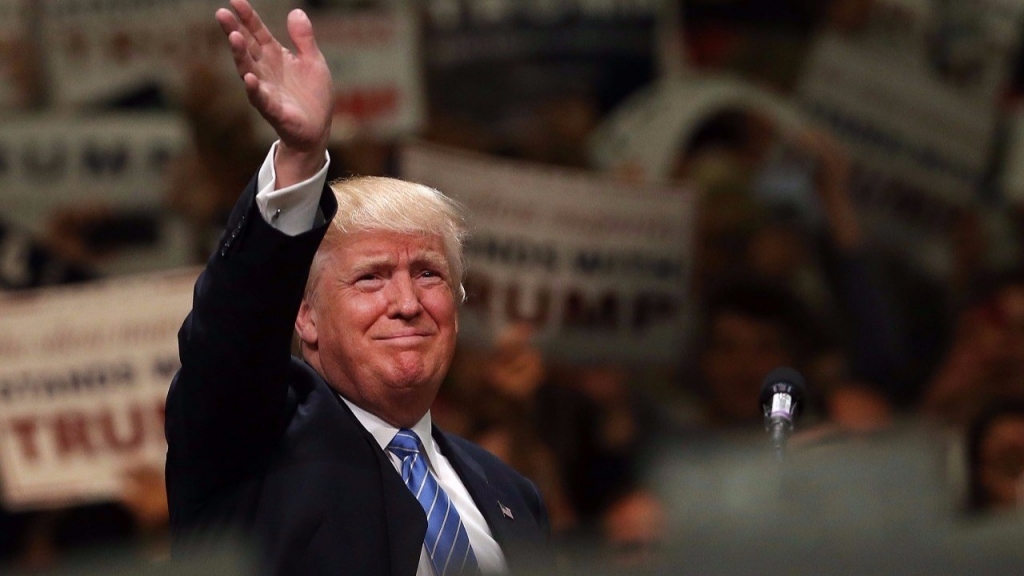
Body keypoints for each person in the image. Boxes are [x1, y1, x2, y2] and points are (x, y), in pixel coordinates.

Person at [163, 2, 551, 575]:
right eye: (371, 277)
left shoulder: (512, 494)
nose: (407, 303)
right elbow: (232, 332)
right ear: (304, 316)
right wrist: (299, 160)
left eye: (428, 273)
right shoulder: (251, 445)